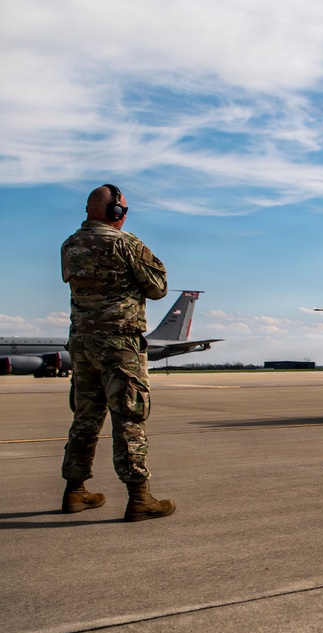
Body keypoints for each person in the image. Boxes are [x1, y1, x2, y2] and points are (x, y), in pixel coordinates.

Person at [60, 183, 176, 522]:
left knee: (85, 417)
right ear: (117, 214)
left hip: (82, 344)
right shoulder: (126, 244)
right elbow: (158, 288)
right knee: (129, 417)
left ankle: (75, 490)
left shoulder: (70, 244)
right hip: (119, 343)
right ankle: (139, 497)